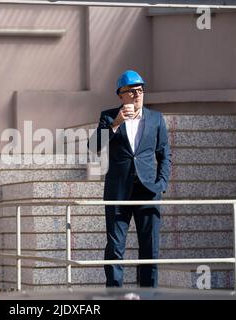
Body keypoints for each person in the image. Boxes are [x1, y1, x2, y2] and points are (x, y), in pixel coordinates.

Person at [89, 70, 171, 288]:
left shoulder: (156, 118)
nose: (137, 95)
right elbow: (93, 147)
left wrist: (161, 184)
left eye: (141, 90)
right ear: (121, 95)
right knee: (115, 248)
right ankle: (114, 293)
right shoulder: (108, 117)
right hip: (118, 192)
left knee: (149, 249)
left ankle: (148, 293)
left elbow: (164, 155)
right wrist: (115, 123)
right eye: (132, 91)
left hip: (148, 190)